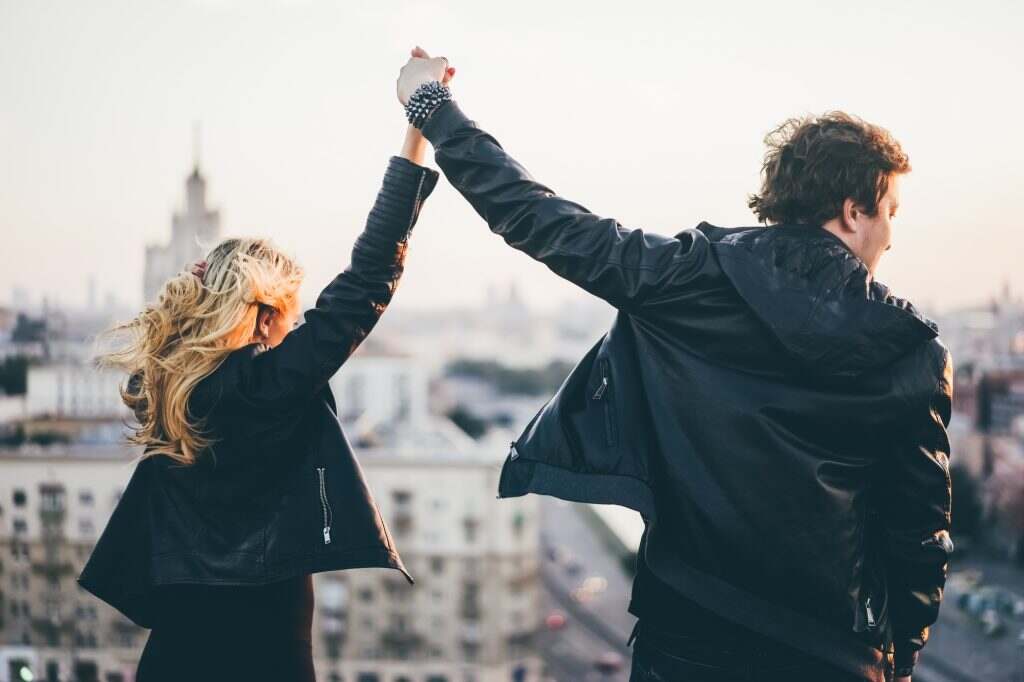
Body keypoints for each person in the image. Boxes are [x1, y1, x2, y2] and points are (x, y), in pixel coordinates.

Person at [396, 47, 952, 682]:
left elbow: (539, 217)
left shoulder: (690, 277)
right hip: (829, 650)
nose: (892, 236)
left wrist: (433, 110)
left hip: (686, 632)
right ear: (855, 210)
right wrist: (901, 655)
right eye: (891, 214)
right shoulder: (912, 350)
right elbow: (919, 533)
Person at [77, 62, 452, 681]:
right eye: (292, 311)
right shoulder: (267, 386)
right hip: (265, 636)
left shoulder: (165, 387)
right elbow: (368, 278)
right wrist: (421, 123)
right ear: (266, 313)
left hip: (176, 647)